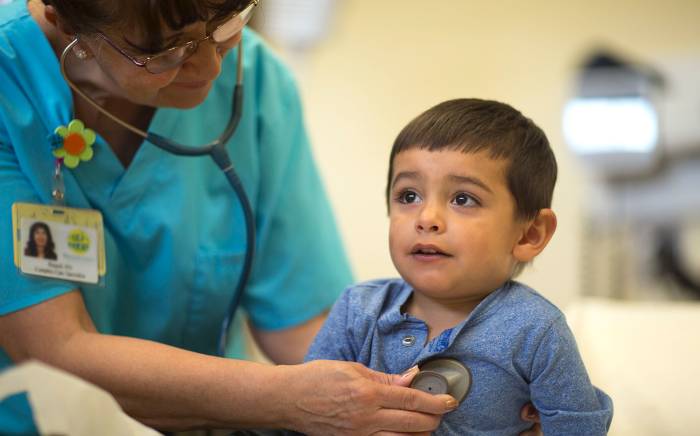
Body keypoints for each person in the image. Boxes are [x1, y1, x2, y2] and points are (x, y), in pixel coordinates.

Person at [0, 0, 458, 434]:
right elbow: (56, 348)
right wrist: (287, 399)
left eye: (225, 26)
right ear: (64, 18)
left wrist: (411, 392)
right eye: (164, 51)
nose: (209, 69)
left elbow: (299, 326)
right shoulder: (9, 80)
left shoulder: (258, 81)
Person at [306, 99, 614, 435]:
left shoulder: (537, 331)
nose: (427, 219)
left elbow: (578, 428)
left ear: (529, 234)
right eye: (409, 196)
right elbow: (304, 415)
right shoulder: (358, 311)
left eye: (463, 199)